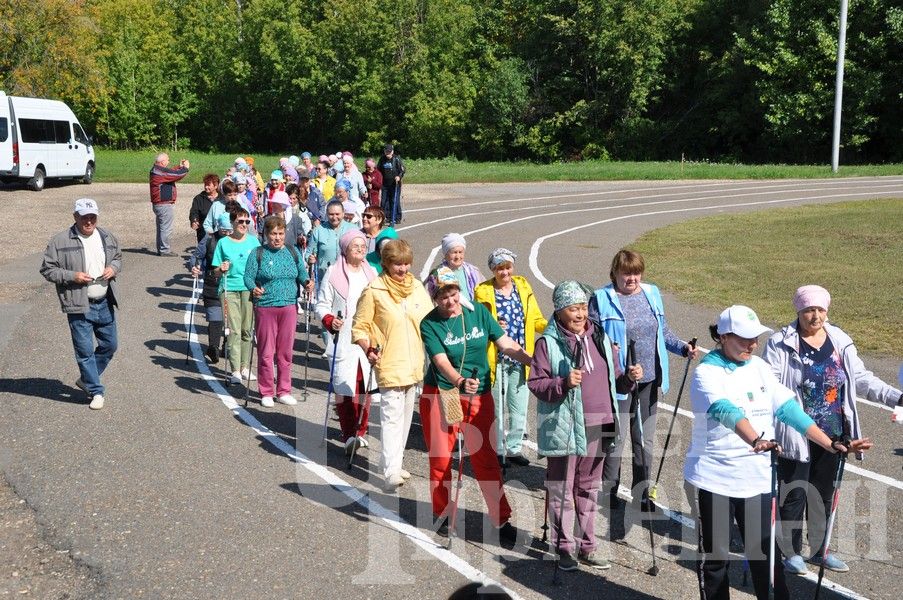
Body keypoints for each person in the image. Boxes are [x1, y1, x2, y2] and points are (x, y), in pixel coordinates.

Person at [685, 305, 872, 600]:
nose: (752, 345)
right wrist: (755, 438)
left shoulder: (759, 367)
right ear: (722, 336)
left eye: (755, 338)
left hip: (757, 479)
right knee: (717, 557)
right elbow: (725, 410)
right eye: (744, 338)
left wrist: (829, 443)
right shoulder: (707, 372)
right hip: (716, 478)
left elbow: (787, 408)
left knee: (766, 556)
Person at [762, 285, 903, 575]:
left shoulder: (839, 340)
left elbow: (861, 378)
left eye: (820, 310)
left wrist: (896, 396)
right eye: (808, 310)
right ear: (798, 311)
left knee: (823, 494)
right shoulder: (780, 343)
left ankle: (819, 550)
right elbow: (770, 385)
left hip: (834, 433)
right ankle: (790, 552)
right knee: (794, 493)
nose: (815, 316)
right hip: (795, 431)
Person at [528, 280, 640, 571]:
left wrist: (628, 377)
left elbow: (616, 380)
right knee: (561, 486)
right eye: (572, 309)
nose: (579, 314)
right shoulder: (548, 343)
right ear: (559, 311)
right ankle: (564, 546)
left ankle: (588, 546)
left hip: (600, 422)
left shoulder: (599, 336)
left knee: (589, 487)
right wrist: (563, 383)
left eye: (582, 308)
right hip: (565, 425)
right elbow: (537, 384)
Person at [419, 266, 531, 544]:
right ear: (434, 297)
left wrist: (534, 362)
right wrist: (458, 381)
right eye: (442, 295)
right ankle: (443, 513)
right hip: (445, 392)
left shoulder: (479, 312)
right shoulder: (429, 324)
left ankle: (501, 517)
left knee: (486, 458)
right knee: (443, 458)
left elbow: (504, 342)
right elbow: (440, 361)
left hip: (480, 394)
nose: (450, 300)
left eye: (453, 292)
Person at [589, 249, 697, 511]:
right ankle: (608, 491)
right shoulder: (601, 299)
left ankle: (643, 494)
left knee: (645, 439)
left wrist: (682, 347)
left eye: (636, 273)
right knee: (616, 437)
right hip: (618, 382)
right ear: (615, 273)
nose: (632, 278)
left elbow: (663, 330)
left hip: (649, 379)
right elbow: (592, 338)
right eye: (626, 273)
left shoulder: (652, 293)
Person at [352, 239, 433, 490]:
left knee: (407, 417)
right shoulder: (374, 290)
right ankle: (389, 472)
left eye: (407, 264)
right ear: (386, 264)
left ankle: (394, 462)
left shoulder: (417, 288)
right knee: (390, 417)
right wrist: (368, 348)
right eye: (398, 264)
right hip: (389, 361)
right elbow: (359, 327)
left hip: (415, 364)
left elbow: (431, 320)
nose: (403, 269)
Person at [40, 198, 121, 410]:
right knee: (84, 351)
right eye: (84, 216)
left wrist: (113, 268)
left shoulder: (106, 236)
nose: (89, 221)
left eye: (92, 216)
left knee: (110, 345)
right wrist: (72, 276)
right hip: (78, 304)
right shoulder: (59, 240)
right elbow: (47, 270)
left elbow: (118, 258)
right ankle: (96, 390)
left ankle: (86, 379)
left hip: (104, 302)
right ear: (75, 217)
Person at [473, 248, 547, 466]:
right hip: (495, 357)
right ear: (493, 270)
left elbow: (535, 319)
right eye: (499, 268)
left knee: (519, 407)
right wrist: (493, 324)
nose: (504, 272)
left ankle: (514, 448)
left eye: (507, 267)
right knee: (496, 408)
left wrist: (555, 328)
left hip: (521, 356)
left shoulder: (523, 287)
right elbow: (478, 322)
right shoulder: (483, 291)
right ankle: (497, 450)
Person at [315, 230, 379, 452]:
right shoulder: (333, 273)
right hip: (343, 339)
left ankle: (361, 431)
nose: (361, 250)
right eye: (356, 246)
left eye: (363, 246)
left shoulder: (371, 273)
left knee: (365, 387)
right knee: (344, 386)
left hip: (367, 337)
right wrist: (330, 320)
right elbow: (321, 304)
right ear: (345, 249)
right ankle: (349, 433)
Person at [244, 215, 312, 407]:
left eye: (280, 233)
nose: (277, 237)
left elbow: (301, 273)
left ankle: (283, 390)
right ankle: (266, 390)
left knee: (285, 352)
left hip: (289, 306)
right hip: (266, 306)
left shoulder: (292, 251)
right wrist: (253, 288)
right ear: (266, 234)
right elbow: (248, 277)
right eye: (273, 234)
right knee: (266, 351)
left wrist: (307, 282)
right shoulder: (257, 253)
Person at [211, 208, 261, 385]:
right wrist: (220, 268)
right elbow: (215, 271)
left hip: (248, 289)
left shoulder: (254, 242)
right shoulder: (223, 243)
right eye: (240, 221)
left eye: (247, 222)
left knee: (247, 329)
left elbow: (259, 267)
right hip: (229, 289)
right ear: (232, 223)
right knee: (234, 330)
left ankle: (245, 366)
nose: (244, 225)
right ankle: (235, 370)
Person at [189, 213, 233, 364]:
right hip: (212, 283)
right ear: (218, 228)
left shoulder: (239, 240)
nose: (227, 234)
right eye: (224, 231)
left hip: (233, 284)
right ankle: (213, 347)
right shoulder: (208, 239)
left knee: (231, 318)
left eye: (229, 231)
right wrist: (194, 267)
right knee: (216, 318)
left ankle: (228, 345)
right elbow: (196, 257)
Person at [149, 152, 189, 256]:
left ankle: (161, 249)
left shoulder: (157, 169)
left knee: (162, 227)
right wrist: (185, 168)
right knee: (166, 228)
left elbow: (170, 172)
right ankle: (165, 250)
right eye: (168, 160)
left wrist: (179, 166)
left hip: (160, 204)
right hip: (163, 204)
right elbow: (176, 175)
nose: (169, 161)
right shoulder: (159, 172)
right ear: (162, 162)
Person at [425, 233, 483, 303]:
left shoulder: (473, 271)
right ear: (445, 254)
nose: (458, 257)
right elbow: (427, 301)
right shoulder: (436, 275)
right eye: (454, 252)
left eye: (460, 252)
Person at [360, 206, 397, 273]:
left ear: (379, 220)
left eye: (369, 216)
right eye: (363, 215)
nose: (364, 218)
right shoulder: (357, 235)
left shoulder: (386, 237)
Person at [377, 144, 405, 225]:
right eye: (386, 152)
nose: (388, 154)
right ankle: (387, 217)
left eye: (389, 152)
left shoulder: (396, 159)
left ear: (392, 151)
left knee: (394, 200)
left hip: (395, 184)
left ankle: (397, 217)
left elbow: (402, 170)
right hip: (385, 184)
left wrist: (399, 177)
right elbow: (378, 170)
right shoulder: (382, 159)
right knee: (384, 201)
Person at [189, 174, 221, 243]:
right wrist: (194, 221)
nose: (206, 187)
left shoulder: (222, 198)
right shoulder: (199, 198)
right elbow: (194, 212)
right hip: (204, 231)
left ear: (216, 186)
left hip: (220, 231)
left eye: (208, 185)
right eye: (205, 185)